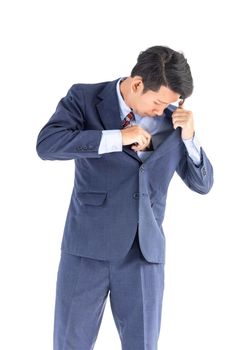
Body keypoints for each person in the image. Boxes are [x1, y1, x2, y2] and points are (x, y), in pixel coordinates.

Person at [36, 45, 214, 350]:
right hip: (86, 250)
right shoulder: (85, 99)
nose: (162, 111)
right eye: (158, 102)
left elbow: (202, 184)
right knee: (69, 343)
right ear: (137, 84)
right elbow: (47, 145)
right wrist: (117, 137)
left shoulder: (175, 124)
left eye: (169, 104)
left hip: (143, 256)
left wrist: (190, 138)